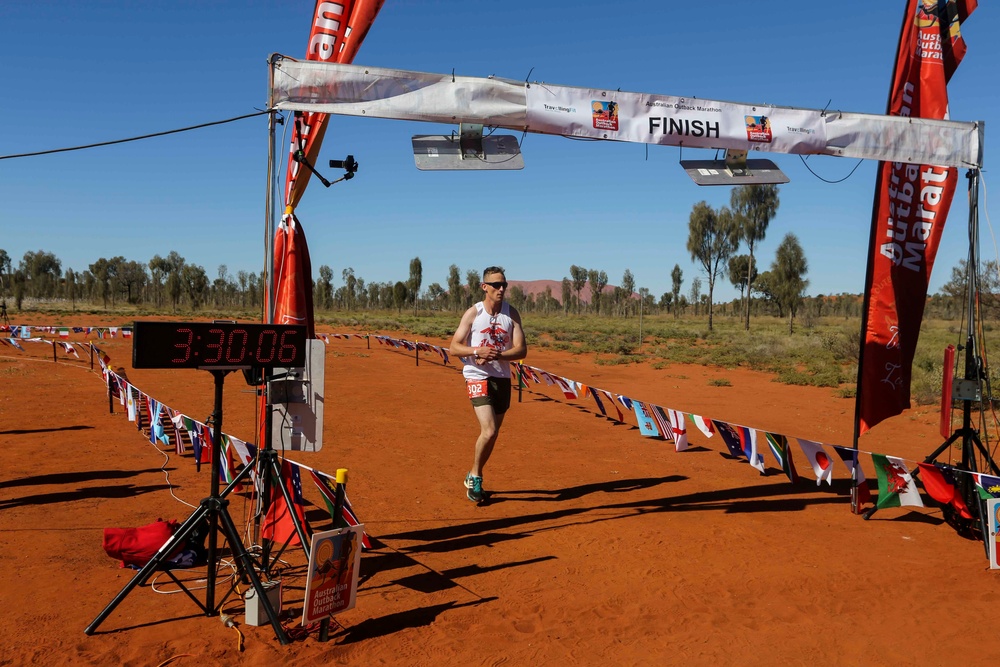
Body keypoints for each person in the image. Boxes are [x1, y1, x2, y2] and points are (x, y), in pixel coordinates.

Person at [449, 266, 527, 503]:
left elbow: (521, 349)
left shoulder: (511, 314)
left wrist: (497, 355)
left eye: (504, 284)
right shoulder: (473, 313)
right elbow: (453, 347)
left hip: (501, 378)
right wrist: (476, 350)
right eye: (495, 285)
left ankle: (473, 472)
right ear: (484, 287)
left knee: (493, 435)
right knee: (489, 429)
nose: (501, 289)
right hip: (476, 375)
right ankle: (476, 477)